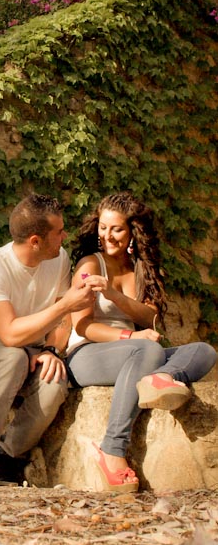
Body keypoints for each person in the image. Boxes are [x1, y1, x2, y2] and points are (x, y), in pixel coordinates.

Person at [65, 192, 217, 492]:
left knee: (203, 351)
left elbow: (150, 319)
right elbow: (82, 326)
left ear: (133, 230)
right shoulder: (89, 265)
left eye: (116, 229)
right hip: (85, 355)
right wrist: (130, 336)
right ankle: (112, 450)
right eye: (103, 227)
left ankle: (162, 377)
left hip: (133, 351)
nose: (107, 235)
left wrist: (113, 295)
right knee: (148, 348)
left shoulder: (141, 268)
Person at [0, 193, 97, 486]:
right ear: (35, 240)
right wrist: (64, 305)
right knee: (12, 356)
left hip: (31, 351)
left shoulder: (59, 260)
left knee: (54, 378)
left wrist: (49, 350)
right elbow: (8, 334)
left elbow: (62, 324)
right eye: (58, 232)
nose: (64, 236)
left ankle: (9, 458)